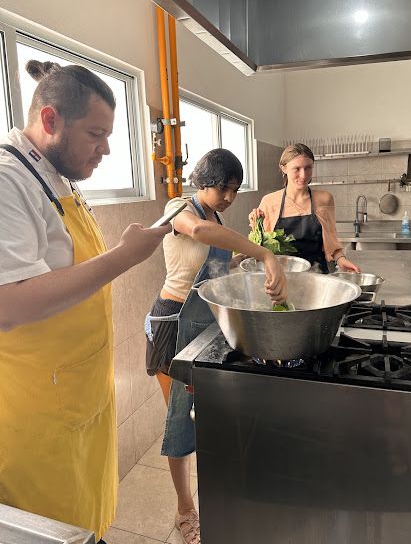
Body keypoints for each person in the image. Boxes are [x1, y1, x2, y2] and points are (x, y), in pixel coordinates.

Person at [0, 60, 170, 543]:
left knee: (84, 525)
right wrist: (124, 256)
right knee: (51, 529)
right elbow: (9, 304)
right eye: (95, 134)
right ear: (50, 121)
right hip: (34, 412)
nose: (106, 149)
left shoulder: (56, 176)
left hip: (78, 392)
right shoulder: (6, 180)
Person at [144, 148, 287, 544]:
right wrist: (263, 252)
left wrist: (248, 263)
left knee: (207, 420)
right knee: (179, 422)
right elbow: (200, 235)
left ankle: (217, 495)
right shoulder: (180, 208)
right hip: (173, 326)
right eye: (223, 187)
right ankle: (184, 509)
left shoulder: (218, 218)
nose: (228, 197)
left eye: (234, 190)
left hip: (207, 327)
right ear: (203, 180)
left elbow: (214, 269)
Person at [249, 143, 359, 273]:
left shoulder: (324, 199)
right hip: (282, 276)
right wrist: (255, 222)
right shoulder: (269, 201)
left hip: (317, 275)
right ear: (284, 168)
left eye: (308, 168)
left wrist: (341, 260)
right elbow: (261, 246)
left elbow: (331, 241)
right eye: (297, 169)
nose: (304, 175)